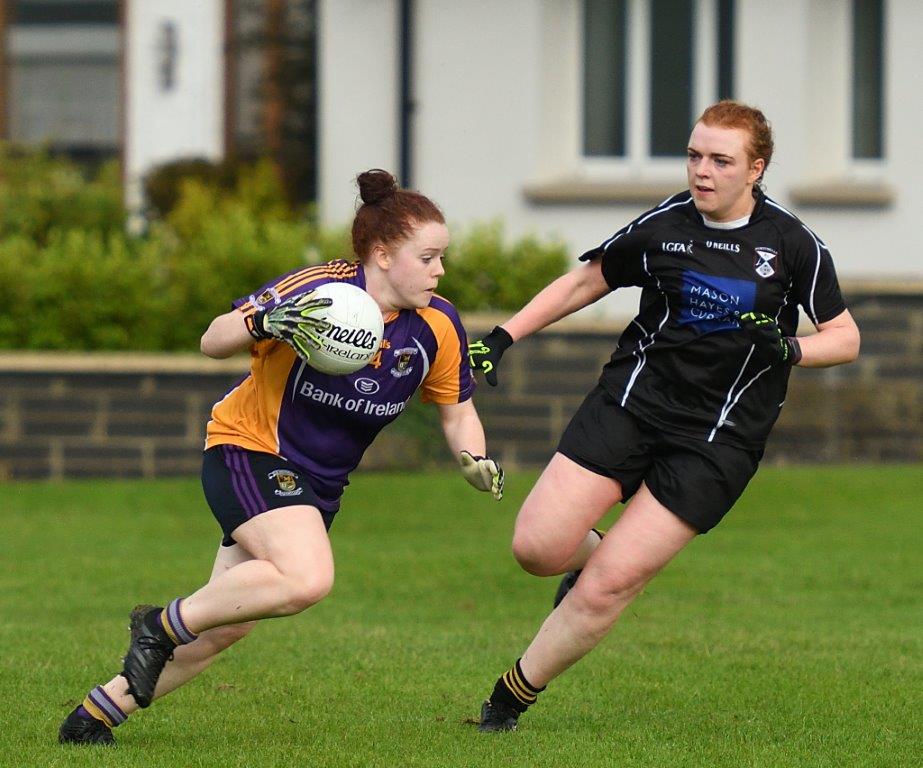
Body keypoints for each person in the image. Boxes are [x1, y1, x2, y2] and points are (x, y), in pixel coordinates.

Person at [58, 169, 504, 745]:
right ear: (382, 254)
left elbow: (457, 409)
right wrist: (262, 321)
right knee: (307, 577)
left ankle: (94, 716)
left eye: (442, 257)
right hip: (248, 450)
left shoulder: (436, 324)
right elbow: (213, 339)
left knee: (226, 625)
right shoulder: (318, 290)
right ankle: (160, 624)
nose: (440, 270)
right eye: (429, 256)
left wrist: (473, 456)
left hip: (317, 487)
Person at [468, 100, 860, 732]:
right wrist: (505, 337)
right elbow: (584, 283)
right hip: (630, 406)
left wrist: (789, 348)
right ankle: (603, 558)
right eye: (694, 155)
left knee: (608, 586)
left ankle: (508, 700)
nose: (702, 171)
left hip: (719, 438)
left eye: (720, 160)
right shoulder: (665, 224)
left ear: (755, 168)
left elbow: (845, 337)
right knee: (537, 549)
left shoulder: (793, 244)